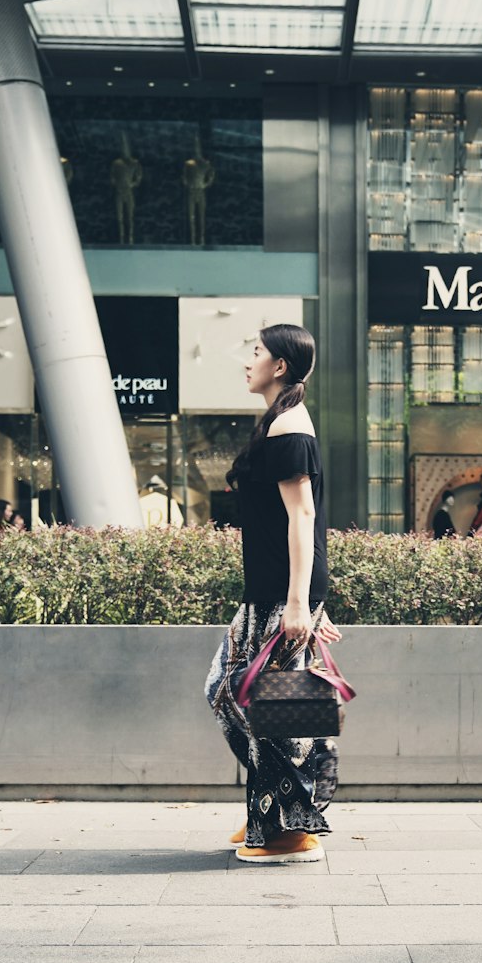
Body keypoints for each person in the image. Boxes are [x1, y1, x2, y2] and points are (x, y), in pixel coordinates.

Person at [205, 323, 341, 866]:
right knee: (231, 693)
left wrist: (299, 602)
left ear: (280, 366)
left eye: (256, 353)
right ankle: (276, 810)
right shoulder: (278, 422)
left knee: (271, 706)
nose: (248, 361)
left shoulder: (289, 427)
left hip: (278, 596)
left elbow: (304, 516)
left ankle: (290, 830)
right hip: (268, 592)